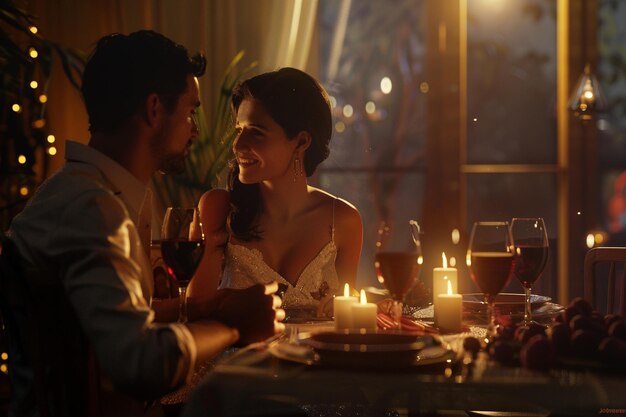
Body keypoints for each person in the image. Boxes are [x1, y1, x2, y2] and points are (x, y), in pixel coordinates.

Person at [3, 30, 283, 416]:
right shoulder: (92, 208)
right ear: (154, 109)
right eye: (189, 112)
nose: (196, 130)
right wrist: (232, 326)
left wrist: (210, 306)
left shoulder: (82, 193)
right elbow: (139, 365)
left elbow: (112, 325)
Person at [188, 67, 363, 317]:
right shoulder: (218, 209)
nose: (238, 144)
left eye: (256, 132)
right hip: (234, 357)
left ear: (302, 142)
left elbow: (350, 317)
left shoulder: (344, 220)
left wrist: (347, 305)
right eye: (239, 130)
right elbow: (194, 313)